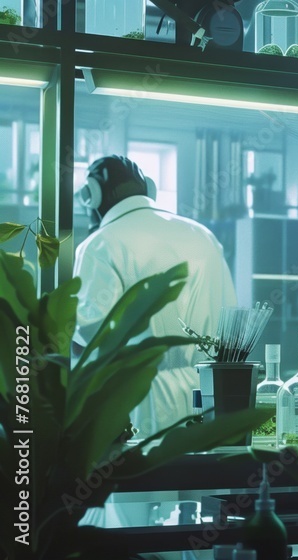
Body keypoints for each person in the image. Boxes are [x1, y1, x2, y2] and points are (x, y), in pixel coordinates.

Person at [73, 154, 237, 438]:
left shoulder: (101, 244)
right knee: (205, 477)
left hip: (139, 399)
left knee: (147, 480)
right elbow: (232, 321)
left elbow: (89, 337)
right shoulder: (202, 235)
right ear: (148, 188)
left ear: (93, 195)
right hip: (210, 396)